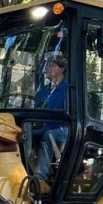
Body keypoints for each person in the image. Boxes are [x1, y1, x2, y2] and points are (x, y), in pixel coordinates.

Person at [33, 51, 69, 181]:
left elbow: (70, 113)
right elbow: (36, 110)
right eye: (45, 65)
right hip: (44, 127)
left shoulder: (69, 89)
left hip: (64, 129)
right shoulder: (44, 90)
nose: (45, 69)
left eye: (50, 65)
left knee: (48, 135)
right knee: (22, 133)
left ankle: (39, 178)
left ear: (61, 68)